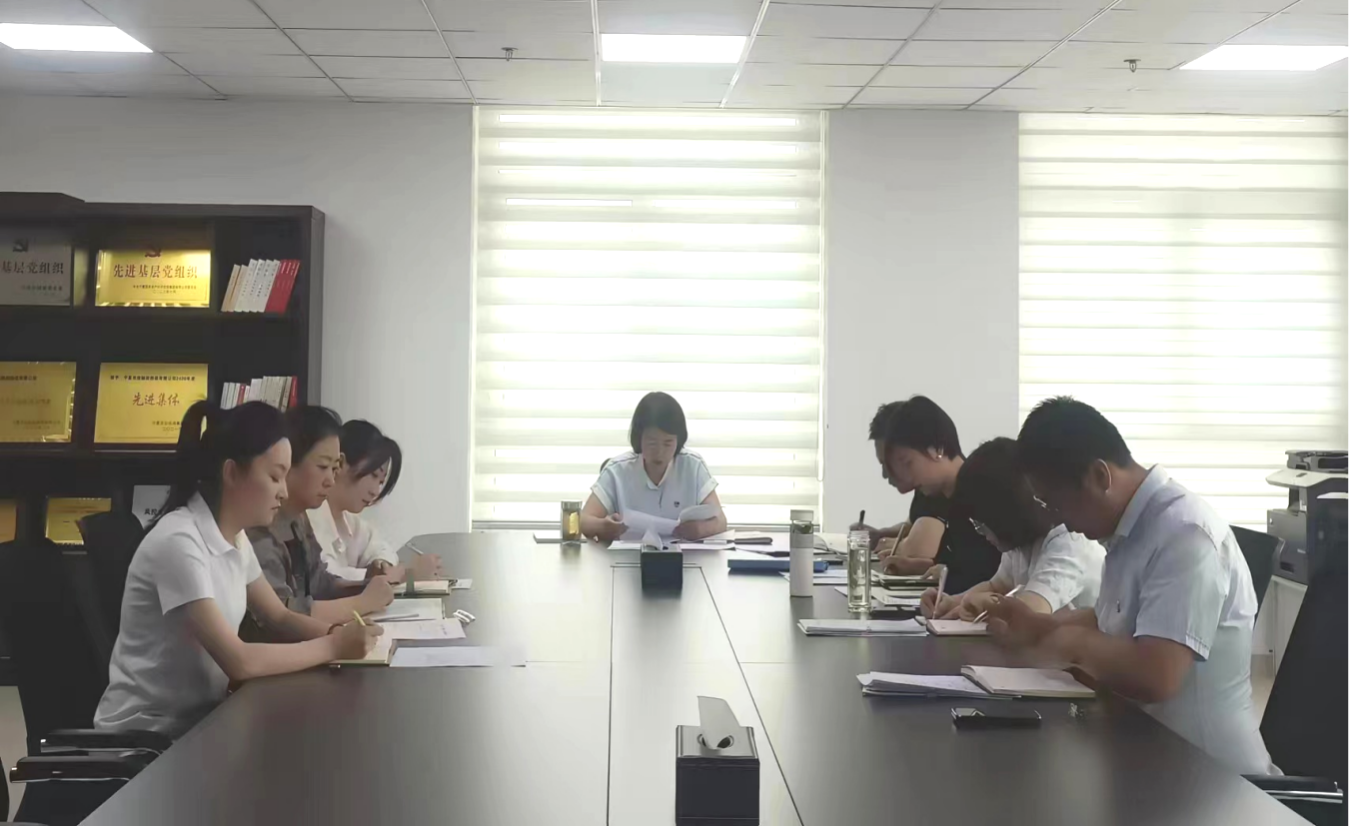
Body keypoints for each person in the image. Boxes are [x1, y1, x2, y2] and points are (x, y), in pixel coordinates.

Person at [987, 397, 1274, 775]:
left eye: (1057, 504)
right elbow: (1114, 617)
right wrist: (1041, 626)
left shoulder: (1184, 534)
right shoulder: (1129, 531)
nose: (1062, 522)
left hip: (1209, 778)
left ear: (1099, 476)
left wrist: (1071, 644)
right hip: (1145, 752)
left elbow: (1157, 675)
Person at [95, 401, 381, 737]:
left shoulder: (235, 538)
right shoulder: (179, 542)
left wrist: (336, 634)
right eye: (274, 476)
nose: (284, 491)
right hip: (149, 740)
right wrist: (334, 646)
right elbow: (239, 661)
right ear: (231, 472)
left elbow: (279, 616)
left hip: (202, 725)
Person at [920, 437, 1104, 621]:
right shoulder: (1020, 544)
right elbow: (996, 586)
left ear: (1002, 515)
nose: (980, 532)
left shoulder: (1069, 543)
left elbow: (1033, 610)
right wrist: (952, 602)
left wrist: (984, 604)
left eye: (981, 524)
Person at [247, 406, 395, 630]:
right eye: (323, 467)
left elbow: (320, 583)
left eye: (334, 469)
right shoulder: (259, 527)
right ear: (288, 463)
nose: (330, 481)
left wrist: (368, 586)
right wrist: (362, 602)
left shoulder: (298, 519)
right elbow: (284, 614)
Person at [855, 396, 1000, 594]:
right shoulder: (948, 497)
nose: (899, 476)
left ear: (937, 449)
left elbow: (996, 576)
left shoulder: (981, 492)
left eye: (906, 463)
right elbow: (968, 567)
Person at [580, 392, 727, 542]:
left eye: (668, 443)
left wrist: (701, 529)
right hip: (631, 555)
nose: (660, 452)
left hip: (683, 555)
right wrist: (603, 526)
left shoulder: (693, 466)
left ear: (678, 440)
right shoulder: (617, 470)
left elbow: (721, 521)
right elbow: (584, 520)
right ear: (639, 438)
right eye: (652, 443)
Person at [309, 419, 441, 584]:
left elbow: (381, 548)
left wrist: (381, 564)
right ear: (341, 464)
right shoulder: (310, 519)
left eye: (380, 482)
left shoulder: (351, 523)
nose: (375, 491)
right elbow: (325, 576)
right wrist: (400, 576)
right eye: (373, 475)